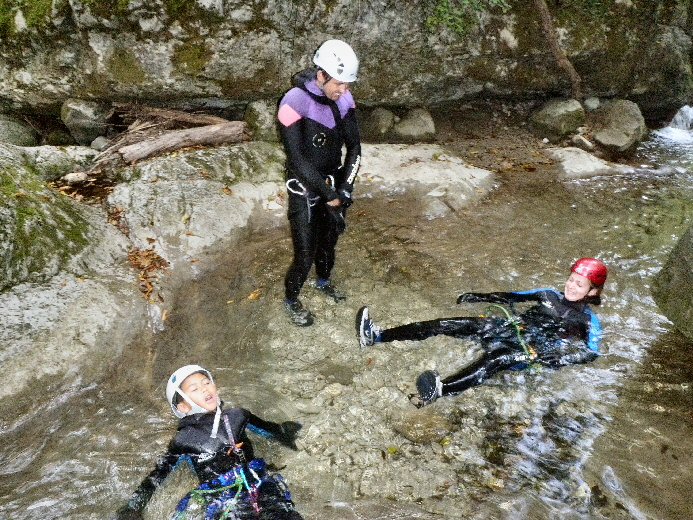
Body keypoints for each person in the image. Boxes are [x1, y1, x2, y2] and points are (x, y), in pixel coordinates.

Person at [356, 258, 608, 406]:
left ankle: (442, 389)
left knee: (497, 359)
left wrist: (560, 358)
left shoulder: (588, 322)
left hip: (534, 352)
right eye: (571, 279)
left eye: (579, 284)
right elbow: (509, 296)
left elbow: (592, 353)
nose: (571, 285)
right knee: (447, 324)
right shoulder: (547, 294)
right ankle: (377, 336)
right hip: (511, 329)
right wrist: (478, 296)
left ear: (592, 291)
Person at [115, 365, 303, 519]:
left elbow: (270, 430)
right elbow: (158, 475)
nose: (204, 388)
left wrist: (285, 433)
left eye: (206, 382)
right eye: (194, 389)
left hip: (258, 484)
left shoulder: (237, 416)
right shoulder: (183, 441)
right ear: (182, 406)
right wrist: (133, 507)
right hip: (224, 497)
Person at [277, 39, 362, 326]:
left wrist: (345, 187)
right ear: (321, 75)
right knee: (305, 253)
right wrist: (328, 194)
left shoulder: (345, 101)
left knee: (328, 244)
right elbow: (297, 160)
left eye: (348, 84)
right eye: (339, 83)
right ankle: (291, 300)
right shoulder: (292, 102)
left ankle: (323, 283)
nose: (343, 90)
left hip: (333, 181)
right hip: (304, 185)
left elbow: (354, 149)